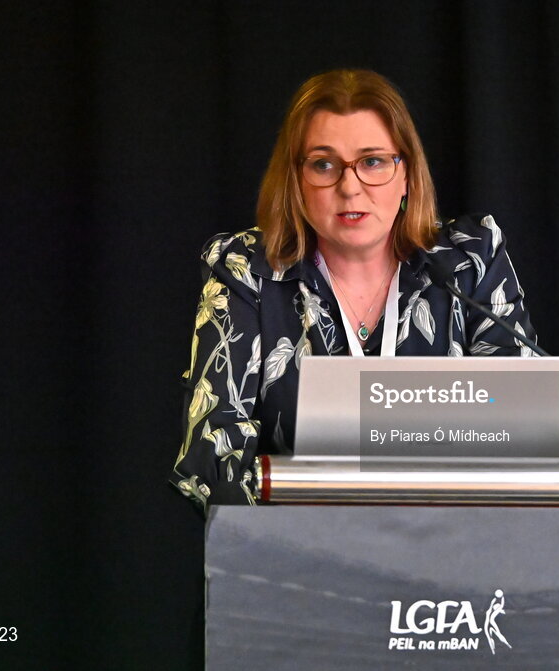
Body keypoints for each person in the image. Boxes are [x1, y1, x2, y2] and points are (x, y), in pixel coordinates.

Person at [171, 69, 537, 508]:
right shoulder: (246, 271)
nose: (349, 187)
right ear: (296, 179)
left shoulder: (469, 261)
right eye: (324, 164)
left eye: (373, 162)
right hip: (297, 547)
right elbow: (212, 462)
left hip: (455, 542)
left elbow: (525, 430)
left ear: (407, 173)